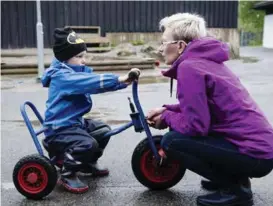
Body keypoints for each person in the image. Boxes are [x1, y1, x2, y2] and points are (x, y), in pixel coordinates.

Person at [147, 13, 273, 206]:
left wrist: (167, 118)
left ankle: (236, 190)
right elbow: (202, 107)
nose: (161, 48)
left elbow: (196, 126)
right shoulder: (204, 61)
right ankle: (233, 179)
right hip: (260, 151)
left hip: (254, 155)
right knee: (178, 132)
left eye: (164, 42)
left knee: (172, 141)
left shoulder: (189, 67)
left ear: (180, 45)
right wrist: (167, 110)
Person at [41, 27, 140, 193]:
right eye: (79, 56)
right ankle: (68, 171)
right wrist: (118, 78)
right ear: (64, 59)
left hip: (73, 123)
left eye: (84, 56)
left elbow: (91, 82)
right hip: (59, 129)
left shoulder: (72, 72)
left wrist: (124, 82)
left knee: (103, 130)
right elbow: (91, 82)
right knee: (87, 143)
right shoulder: (63, 76)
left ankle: (87, 162)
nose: (84, 60)